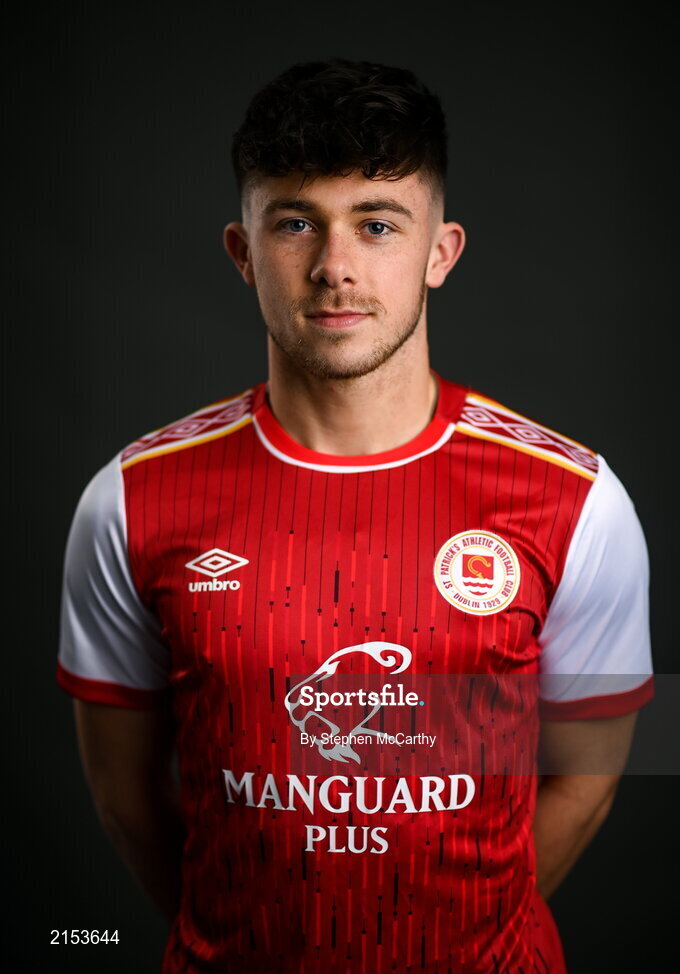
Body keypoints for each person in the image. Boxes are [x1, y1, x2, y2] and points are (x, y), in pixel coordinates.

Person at [57, 59, 654, 973]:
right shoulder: (130, 500)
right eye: (296, 224)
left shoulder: (577, 499)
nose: (337, 267)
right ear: (243, 252)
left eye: (378, 224)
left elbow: (591, 776)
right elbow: (122, 792)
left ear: (441, 252)